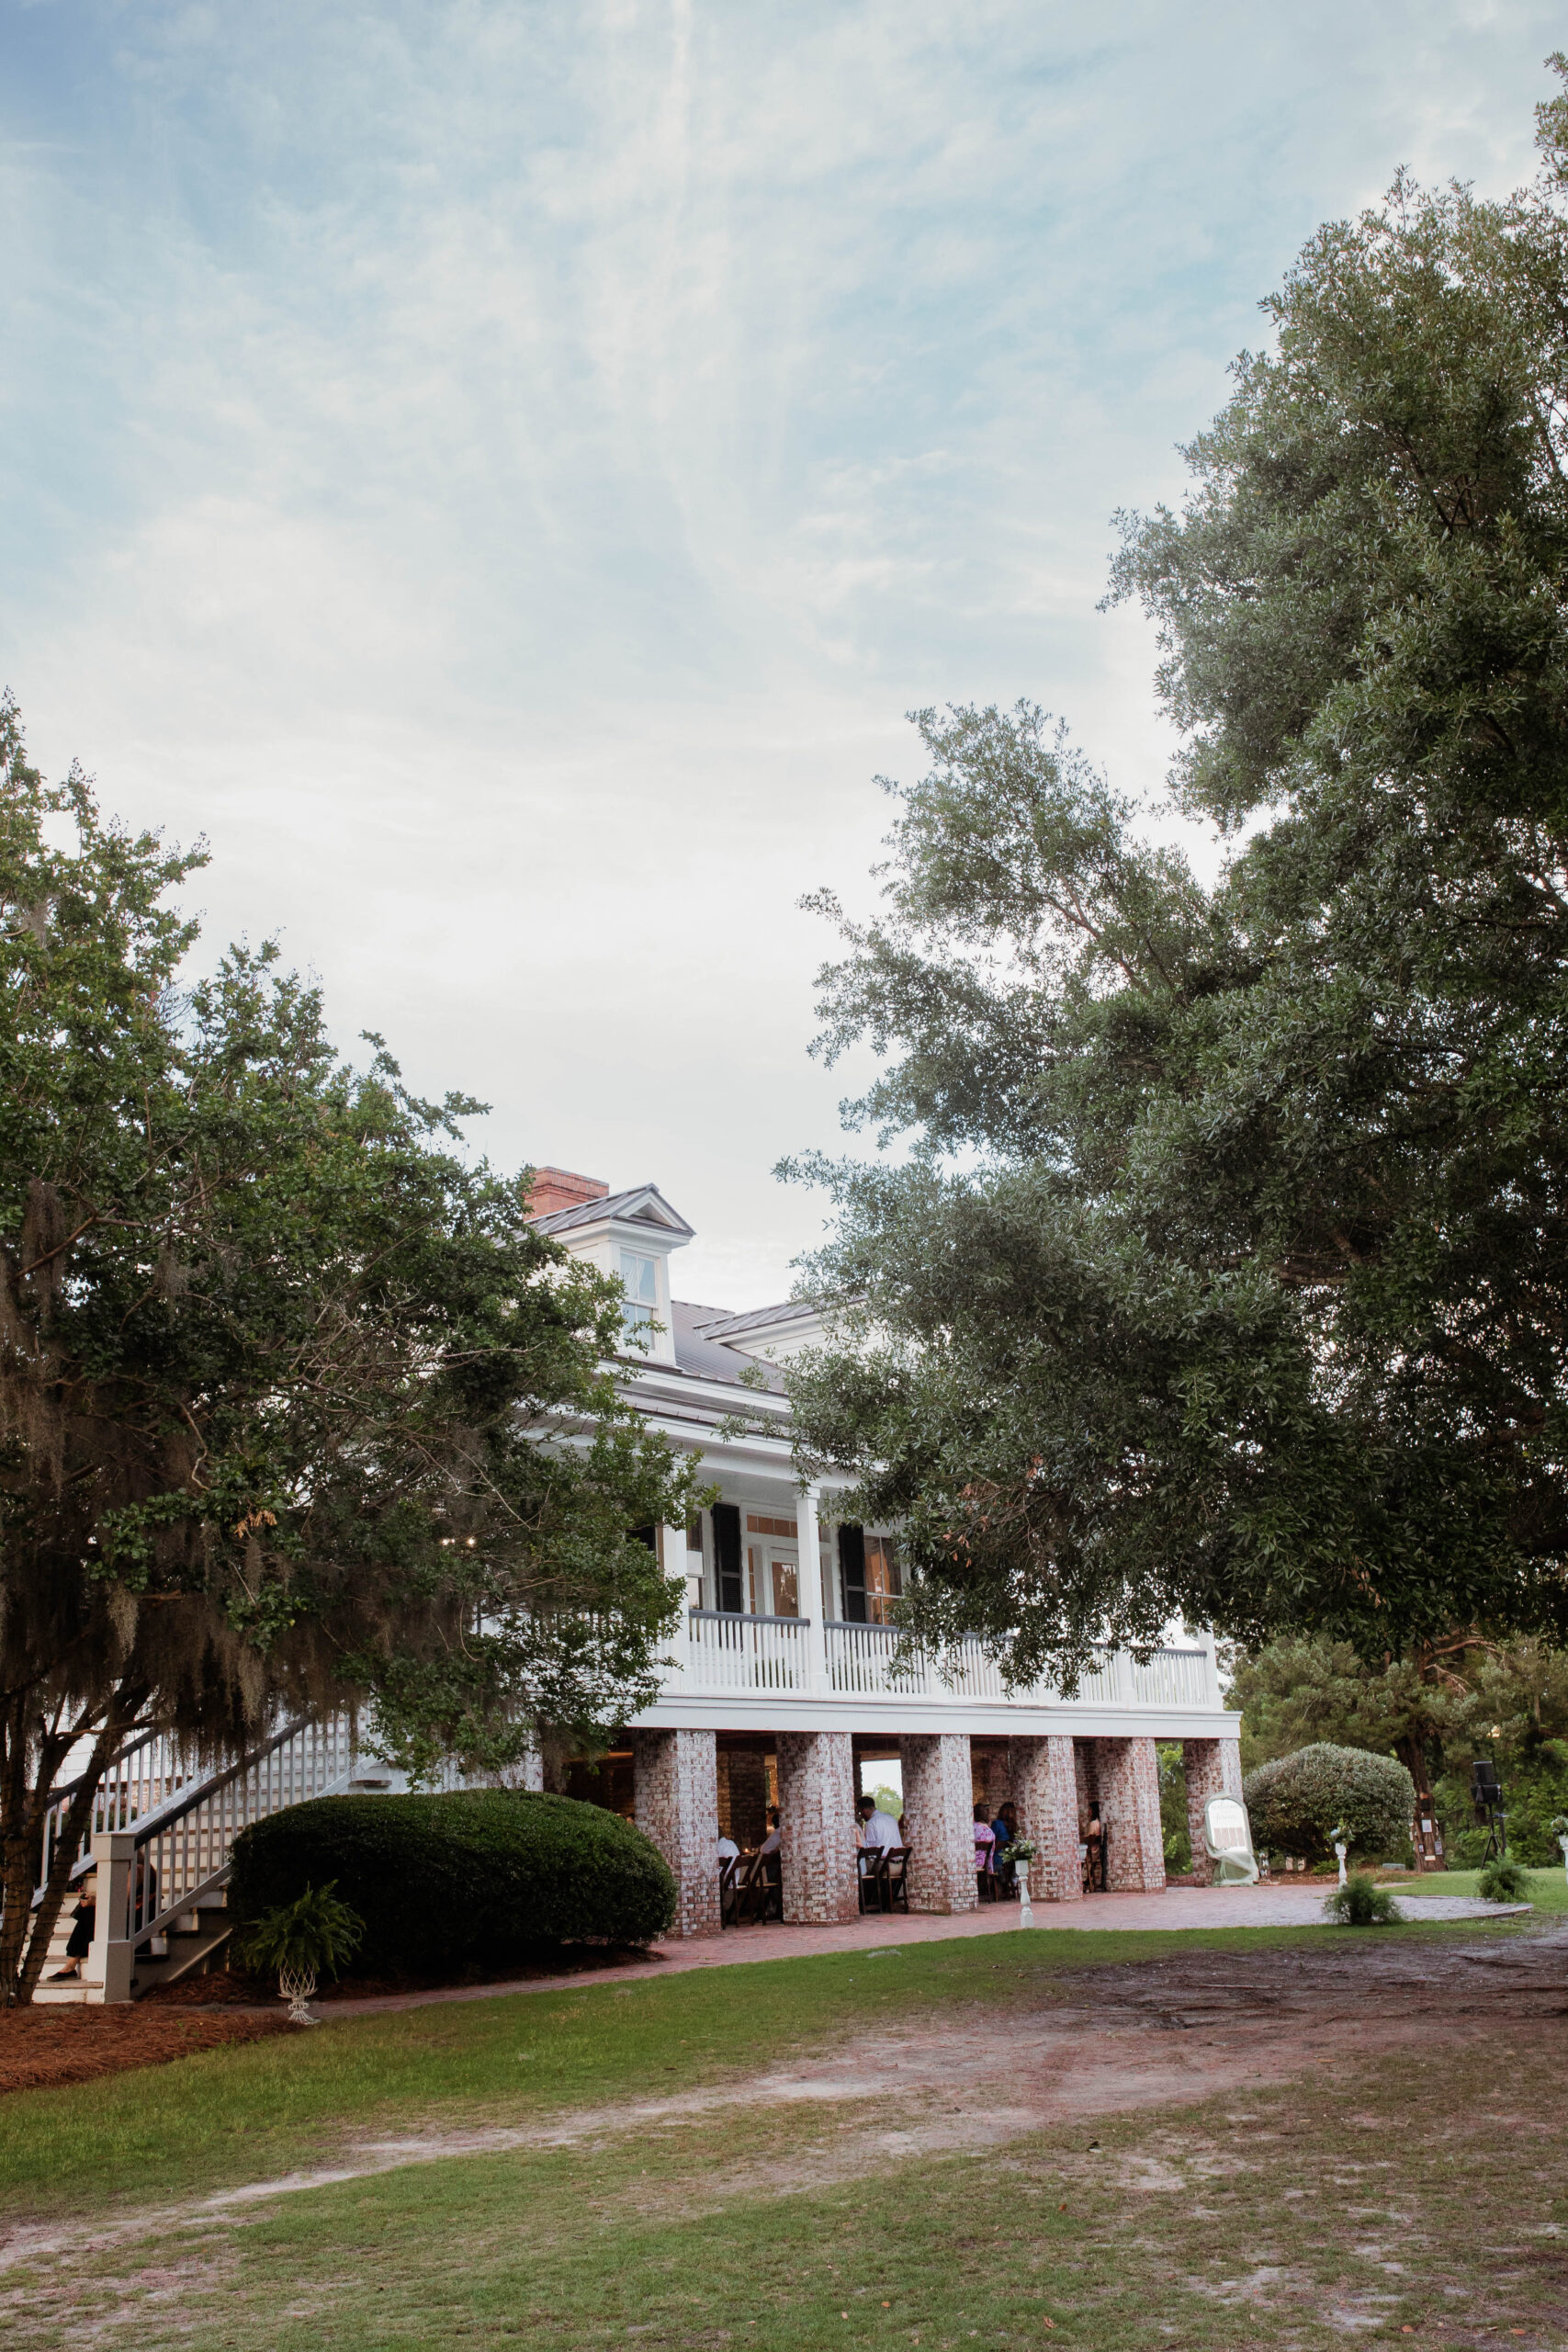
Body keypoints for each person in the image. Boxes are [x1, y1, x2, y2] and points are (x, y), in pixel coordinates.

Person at [50, 1871, 96, 1980]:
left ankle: (71, 1965)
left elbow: (123, 1899)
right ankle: (71, 1964)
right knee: (87, 1908)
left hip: (129, 1917)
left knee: (89, 1911)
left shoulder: (136, 1869)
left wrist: (96, 1901)